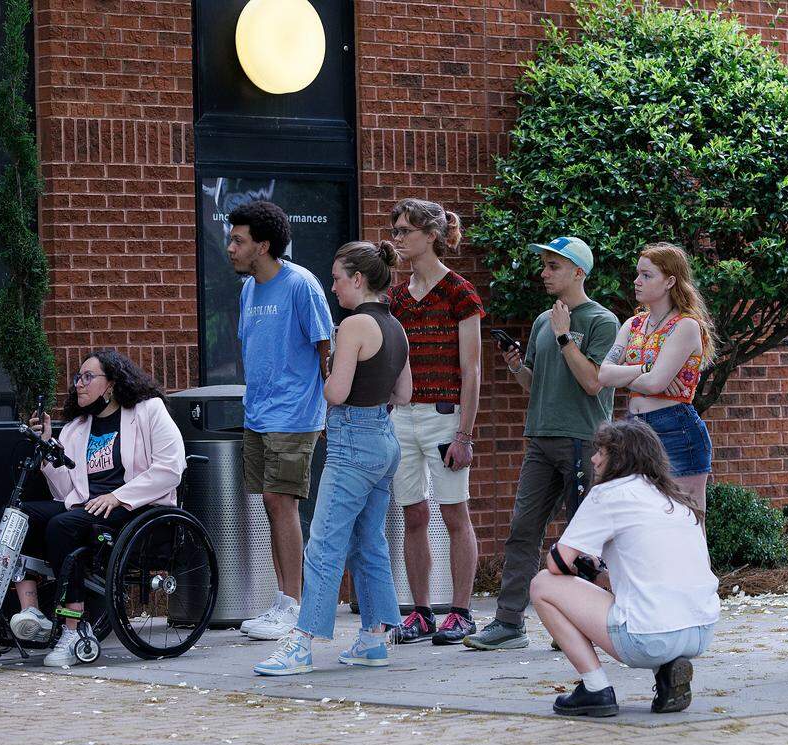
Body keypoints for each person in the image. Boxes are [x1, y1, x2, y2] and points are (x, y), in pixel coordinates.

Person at [254, 241, 412, 675]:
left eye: (338, 278)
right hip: (384, 438)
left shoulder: (354, 325)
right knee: (369, 541)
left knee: (323, 544)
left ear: (358, 279)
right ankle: (373, 639)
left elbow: (335, 392)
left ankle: (302, 643)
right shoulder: (395, 326)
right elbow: (404, 393)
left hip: (352, 443)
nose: (333, 286)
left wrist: (325, 375)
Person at [463, 236, 619, 651]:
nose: (544, 273)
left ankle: (583, 621)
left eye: (554, 266)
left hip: (583, 441)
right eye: (544, 265)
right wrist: (517, 367)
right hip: (540, 440)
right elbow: (535, 386)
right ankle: (509, 623)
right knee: (522, 531)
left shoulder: (602, 322)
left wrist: (566, 336)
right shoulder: (541, 322)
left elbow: (592, 383)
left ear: (578, 272)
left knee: (582, 537)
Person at [529, 419, 719, 717]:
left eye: (601, 451)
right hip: (701, 630)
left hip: (648, 638)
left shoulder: (609, 493)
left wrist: (574, 565)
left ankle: (595, 689)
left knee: (542, 584)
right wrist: (596, 574)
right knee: (645, 600)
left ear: (619, 457)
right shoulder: (675, 497)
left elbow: (557, 563)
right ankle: (668, 673)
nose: (593, 458)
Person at [9, 349, 186, 667]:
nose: (79, 383)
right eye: (78, 377)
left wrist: (119, 496)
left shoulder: (148, 411)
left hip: (137, 508)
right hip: (90, 508)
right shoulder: (77, 427)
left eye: (88, 377)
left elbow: (171, 468)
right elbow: (67, 493)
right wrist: (50, 450)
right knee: (19, 514)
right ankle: (31, 610)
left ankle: (74, 628)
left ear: (111, 384)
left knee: (63, 526)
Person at [227, 201, 334, 641]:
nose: (230, 247)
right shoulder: (249, 290)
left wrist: (330, 408)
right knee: (273, 505)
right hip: (258, 414)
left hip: (295, 414)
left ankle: (293, 604)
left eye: (239, 240)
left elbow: (325, 348)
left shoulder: (300, 284)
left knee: (281, 501)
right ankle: (285, 598)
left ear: (264, 245)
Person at [386, 199, 484, 645]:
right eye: (397, 229)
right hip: (402, 417)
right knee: (412, 513)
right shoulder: (396, 297)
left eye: (406, 230)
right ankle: (422, 611)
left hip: (445, 417)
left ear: (431, 235)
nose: (399, 237)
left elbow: (473, 370)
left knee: (453, 512)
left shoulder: (460, 292)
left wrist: (464, 434)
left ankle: (461, 612)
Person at [596, 243, 714, 510]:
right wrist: (648, 369)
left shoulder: (686, 326)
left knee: (688, 521)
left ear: (670, 281)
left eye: (647, 275)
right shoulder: (632, 324)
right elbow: (603, 373)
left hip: (675, 427)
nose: (637, 281)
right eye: (637, 274)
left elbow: (654, 384)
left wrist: (628, 372)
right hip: (634, 428)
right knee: (638, 516)